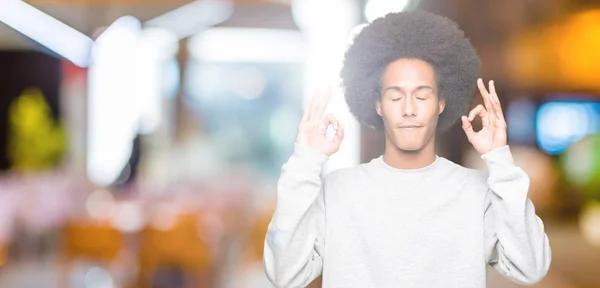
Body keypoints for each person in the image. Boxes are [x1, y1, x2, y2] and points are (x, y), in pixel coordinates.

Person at [263, 11, 551, 288]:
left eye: (422, 95)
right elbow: (284, 275)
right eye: (395, 95)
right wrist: (305, 162)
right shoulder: (337, 191)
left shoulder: (477, 192)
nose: (409, 109)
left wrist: (499, 160)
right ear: (378, 104)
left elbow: (531, 268)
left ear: (441, 103)